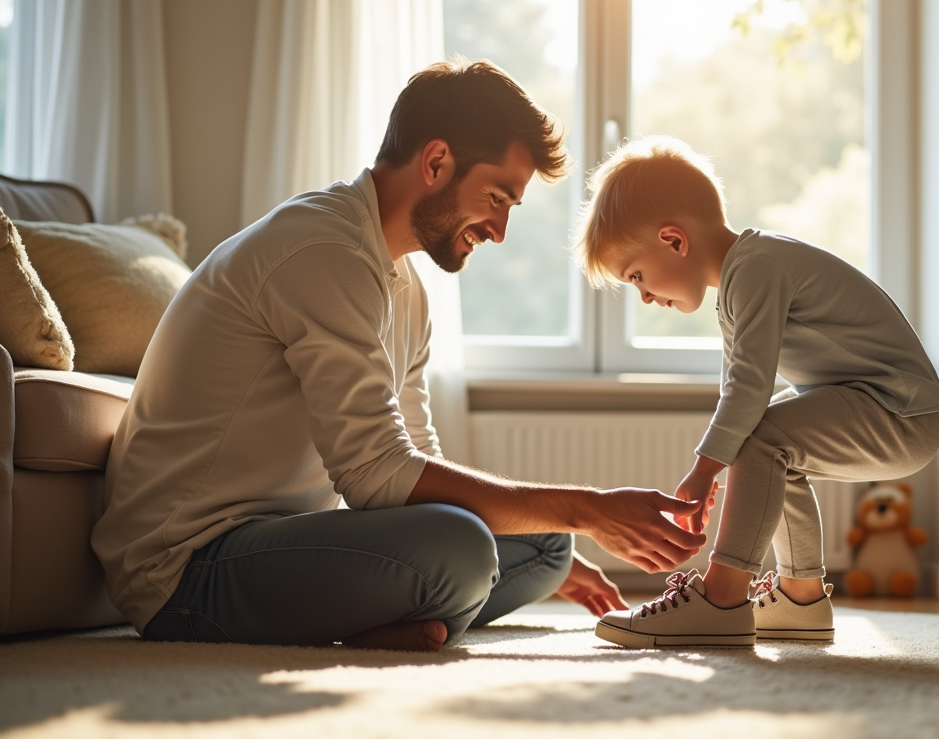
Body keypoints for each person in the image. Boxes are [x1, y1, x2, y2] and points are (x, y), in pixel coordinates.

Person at [92, 61, 708, 653]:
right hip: (189, 570)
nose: (499, 230)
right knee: (464, 548)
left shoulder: (405, 288)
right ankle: (391, 616)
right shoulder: (321, 249)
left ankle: (402, 613)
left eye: (509, 207)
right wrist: (593, 507)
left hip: (280, 541)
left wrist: (569, 526)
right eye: (496, 197)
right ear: (437, 161)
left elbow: (414, 457)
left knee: (548, 544)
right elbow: (376, 478)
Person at [574, 136, 939, 649]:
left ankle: (722, 600)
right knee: (763, 440)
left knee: (760, 434)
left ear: (674, 240)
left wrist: (706, 468)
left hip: (902, 414)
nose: (644, 295)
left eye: (637, 275)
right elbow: (741, 389)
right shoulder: (739, 280)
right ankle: (801, 601)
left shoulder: (755, 267)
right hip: (885, 410)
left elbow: (749, 388)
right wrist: (717, 461)